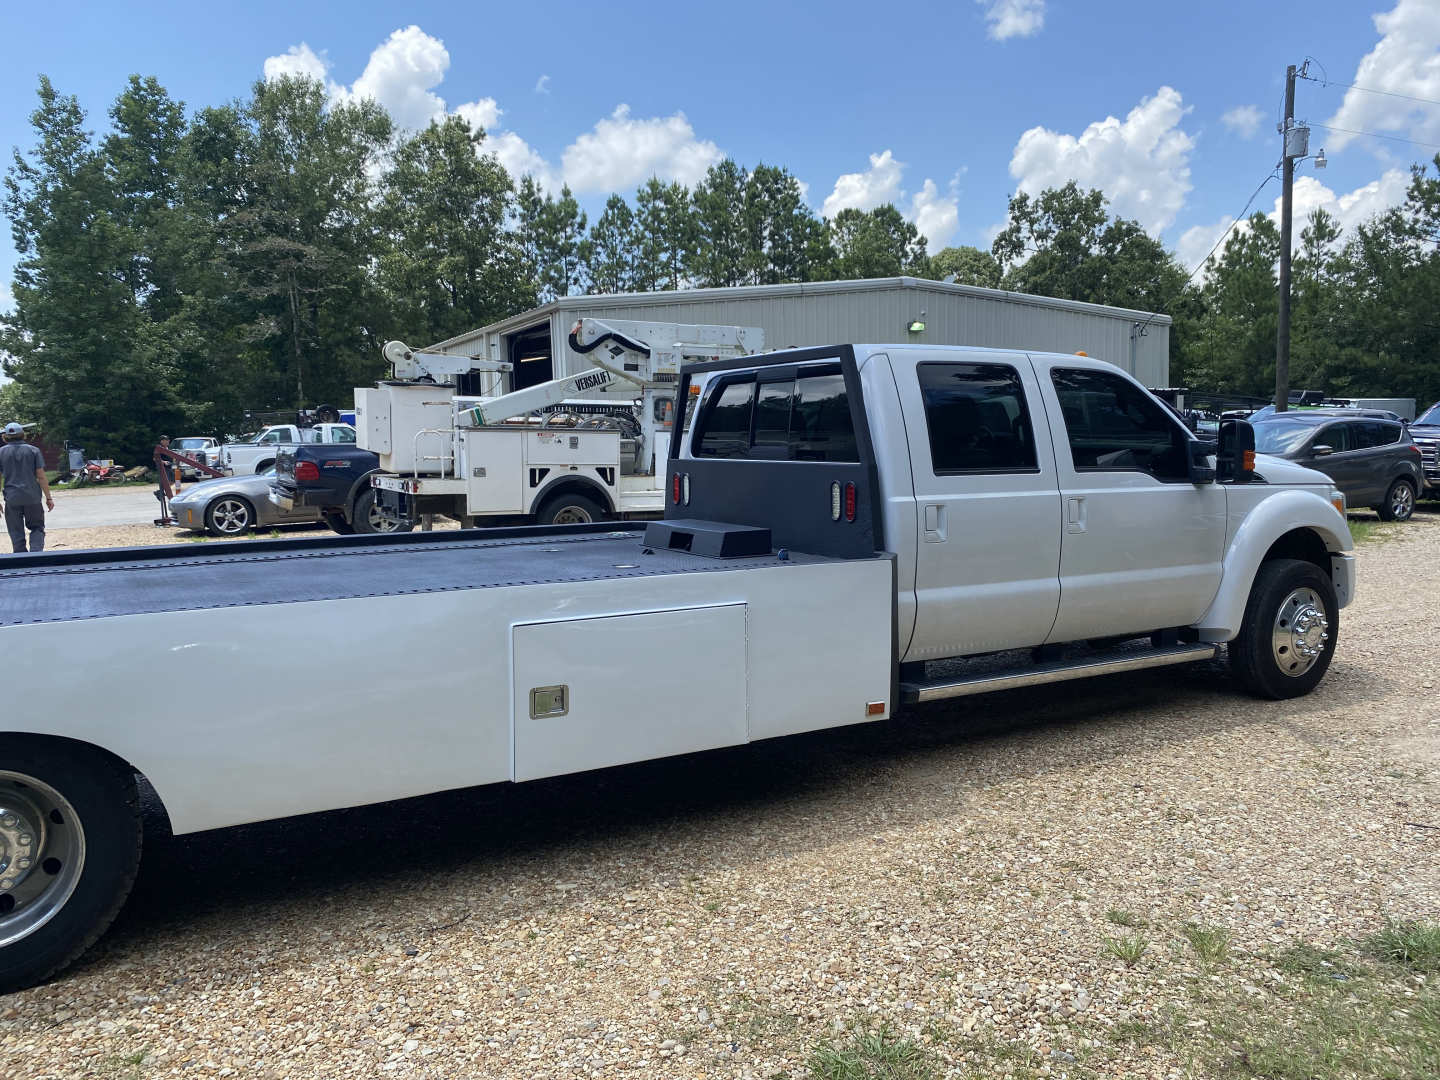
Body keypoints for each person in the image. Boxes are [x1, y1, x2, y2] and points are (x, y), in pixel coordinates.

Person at [0, 422, 55, 553]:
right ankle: (36, 554)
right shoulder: (33, 450)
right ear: (22, 435)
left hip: (12, 497)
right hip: (32, 497)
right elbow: (41, 476)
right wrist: (48, 498)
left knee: (15, 530)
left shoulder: (1, 452)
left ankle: (20, 558)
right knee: (37, 527)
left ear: (5, 436)